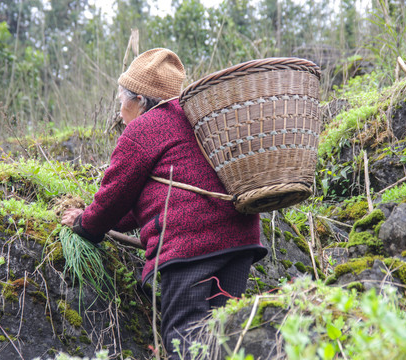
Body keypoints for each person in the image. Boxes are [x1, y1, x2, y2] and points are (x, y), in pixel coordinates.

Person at [61, 48, 267, 359]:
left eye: (122, 101)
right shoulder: (198, 118)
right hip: (240, 240)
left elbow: (114, 193)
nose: (120, 111)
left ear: (140, 100)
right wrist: (105, 221)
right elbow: (145, 200)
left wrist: (84, 225)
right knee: (223, 340)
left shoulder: (145, 129)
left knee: (186, 337)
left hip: (192, 246)